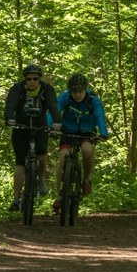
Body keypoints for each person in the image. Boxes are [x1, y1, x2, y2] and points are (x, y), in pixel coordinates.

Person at [3, 64, 62, 211]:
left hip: (40, 126)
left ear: (39, 79)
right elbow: (11, 104)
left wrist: (57, 122)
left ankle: (40, 178)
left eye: (35, 78)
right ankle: (16, 199)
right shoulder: (17, 89)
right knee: (20, 163)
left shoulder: (46, 89)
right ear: (25, 79)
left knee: (41, 153)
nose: (31, 81)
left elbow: (53, 105)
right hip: (21, 126)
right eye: (28, 78)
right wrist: (9, 118)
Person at [52, 73, 110, 212]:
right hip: (68, 131)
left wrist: (103, 133)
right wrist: (50, 126)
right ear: (70, 91)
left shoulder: (93, 100)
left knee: (87, 151)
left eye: (80, 91)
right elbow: (54, 110)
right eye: (74, 92)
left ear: (85, 89)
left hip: (87, 131)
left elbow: (99, 116)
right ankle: (59, 194)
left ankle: (86, 179)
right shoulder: (65, 97)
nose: (77, 95)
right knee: (63, 156)